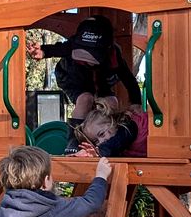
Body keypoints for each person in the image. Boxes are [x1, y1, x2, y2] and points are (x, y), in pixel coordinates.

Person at [26, 15, 142, 154]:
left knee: (112, 101)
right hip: (72, 78)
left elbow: (128, 78)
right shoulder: (73, 44)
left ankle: (111, 138)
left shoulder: (113, 55)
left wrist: (136, 102)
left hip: (101, 81)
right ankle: (72, 142)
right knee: (85, 99)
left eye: (90, 57)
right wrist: (43, 51)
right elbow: (60, 48)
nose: (86, 61)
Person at [72, 97, 149, 158]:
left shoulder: (128, 127)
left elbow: (116, 142)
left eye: (101, 134)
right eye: (96, 142)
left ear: (113, 123)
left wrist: (99, 151)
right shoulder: (117, 145)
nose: (101, 141)